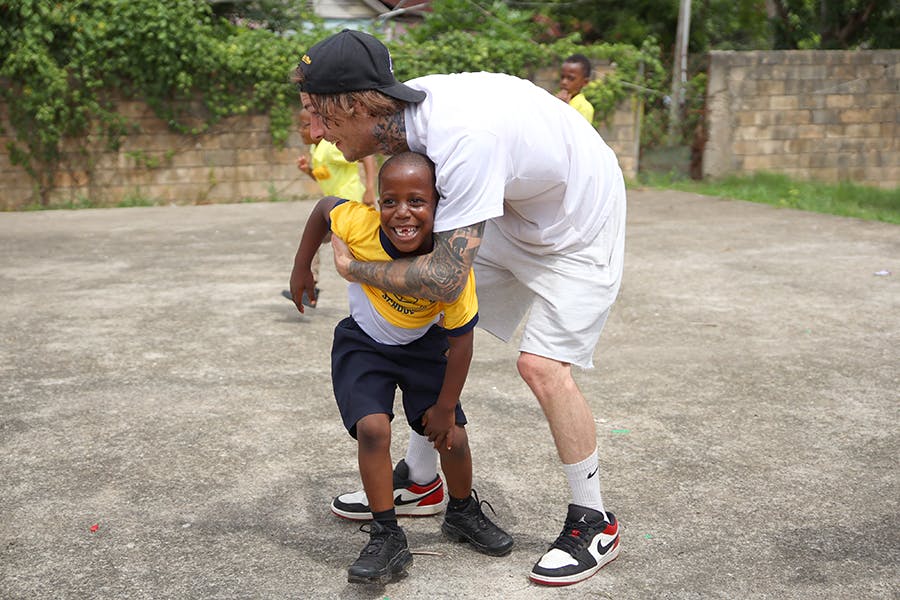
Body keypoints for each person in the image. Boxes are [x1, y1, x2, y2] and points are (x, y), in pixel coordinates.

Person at [290, 30, 626, 587]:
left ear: (358, 105)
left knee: (541, 366)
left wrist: (355, 269)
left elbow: (445, 279)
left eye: (323, 117)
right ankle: (422, 481)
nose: (318, 133)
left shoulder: (461, 140)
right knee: (429, 324)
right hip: (514, 207)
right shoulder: (404, 125)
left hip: (578, 220)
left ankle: (594, 520)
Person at [290, 151, 513, 585]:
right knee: (373, 429)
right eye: (389, 201)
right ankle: (386, 534)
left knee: (453, 436)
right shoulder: (360, 225)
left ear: (438, 206)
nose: (402, 212)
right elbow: (323, 209)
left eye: (417, 201)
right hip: (364, 344)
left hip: (422, 348)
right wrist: (303, 266)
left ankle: (462, 511)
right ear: (377, 203)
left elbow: (461, 343)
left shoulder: (451, 266)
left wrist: (445, 408)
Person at [297, 107, 377, 207]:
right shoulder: (315, 148)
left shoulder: (332, 148)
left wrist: (370, 189)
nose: (300, 130)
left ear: (319, 126)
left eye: (304, 126)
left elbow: (367, 156)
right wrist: (308, 171)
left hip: (352, 203)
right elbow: (323, 179)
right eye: (299, 126)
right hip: (336, 204)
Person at [556, 53, 595, 124]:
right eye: (562, 77)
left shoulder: (584, 107)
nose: (564, 82)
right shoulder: (556, 100)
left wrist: (563, 108)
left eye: (571, 78)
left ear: (585, 82)